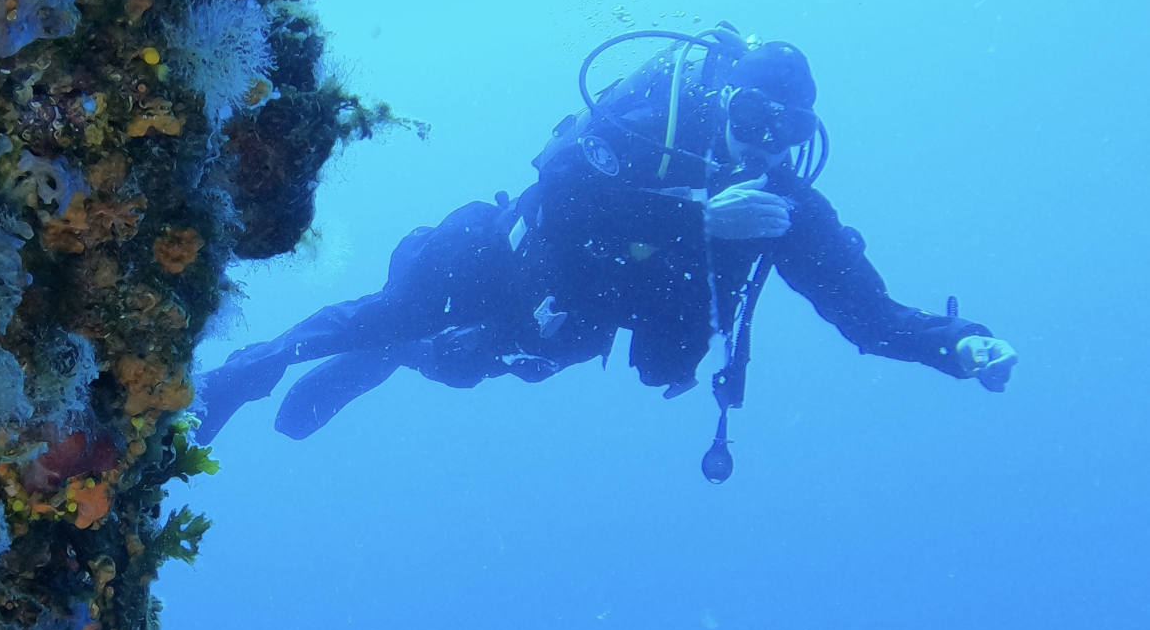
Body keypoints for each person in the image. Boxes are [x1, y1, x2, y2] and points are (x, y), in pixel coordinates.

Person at [196, 24, 1016, 481]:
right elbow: (558, 180)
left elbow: (867, 317)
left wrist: (955, 345)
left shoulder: (784, 209)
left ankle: (392, 359)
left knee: (458, 362)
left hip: (567, 318)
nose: (761, 143)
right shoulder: (652, 117)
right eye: (754, 115)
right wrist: (700, 214)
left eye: (785, 132)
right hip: (505, 255)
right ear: (723, 97)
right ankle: (239, 375)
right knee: (396, 307)